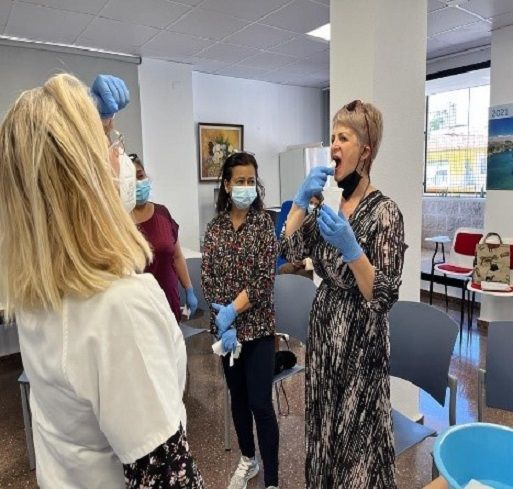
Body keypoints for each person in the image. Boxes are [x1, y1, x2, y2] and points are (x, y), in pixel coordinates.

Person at [0, 73, 203, 488]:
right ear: (85, 178)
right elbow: (166, 476)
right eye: (111, 147)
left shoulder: (38, 289)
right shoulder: (119, 307)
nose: (123, 159)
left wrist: (94, 126)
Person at [281, 99, 407, 488]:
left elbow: (383, 296)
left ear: (365, 151)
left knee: (357, 444)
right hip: (324, 335)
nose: (333, 145)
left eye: (344, 138)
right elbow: (291, 250)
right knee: (323, 434)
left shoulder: (386, 213)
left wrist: (354, 252)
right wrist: (299, 204)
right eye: (332, 137)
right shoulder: (330, 208)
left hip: (360, 341)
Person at [201, 152, 280, 489]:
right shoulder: (215, 227)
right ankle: (248, 459)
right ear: (227, 184)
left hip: (258, 329)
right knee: (239, 398)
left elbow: (264, 279)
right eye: (241, 181)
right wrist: (224, 318)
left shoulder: (264, 224)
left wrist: (234, 309)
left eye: (252, 181)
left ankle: (273, 479)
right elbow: (208, 277)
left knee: (261, 402)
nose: (247, 187)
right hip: (227, 333)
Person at [129, 153, 198, 321]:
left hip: (169, 301)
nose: (139, 184)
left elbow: (177, 256)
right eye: (132, 181)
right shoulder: (121, 221)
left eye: (140, 176)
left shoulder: (162, 213)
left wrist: (189, 289)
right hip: (139, 308)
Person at [278, 193, 323, 278]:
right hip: (296, 259)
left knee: (300, 276)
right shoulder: (296, 217)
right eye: (311, 202)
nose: (312, 206)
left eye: (316, 204)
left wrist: (305, 262)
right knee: (283, 270)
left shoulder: (320, 222)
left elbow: (320, 252)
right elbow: (284, 240)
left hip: (312, 262)